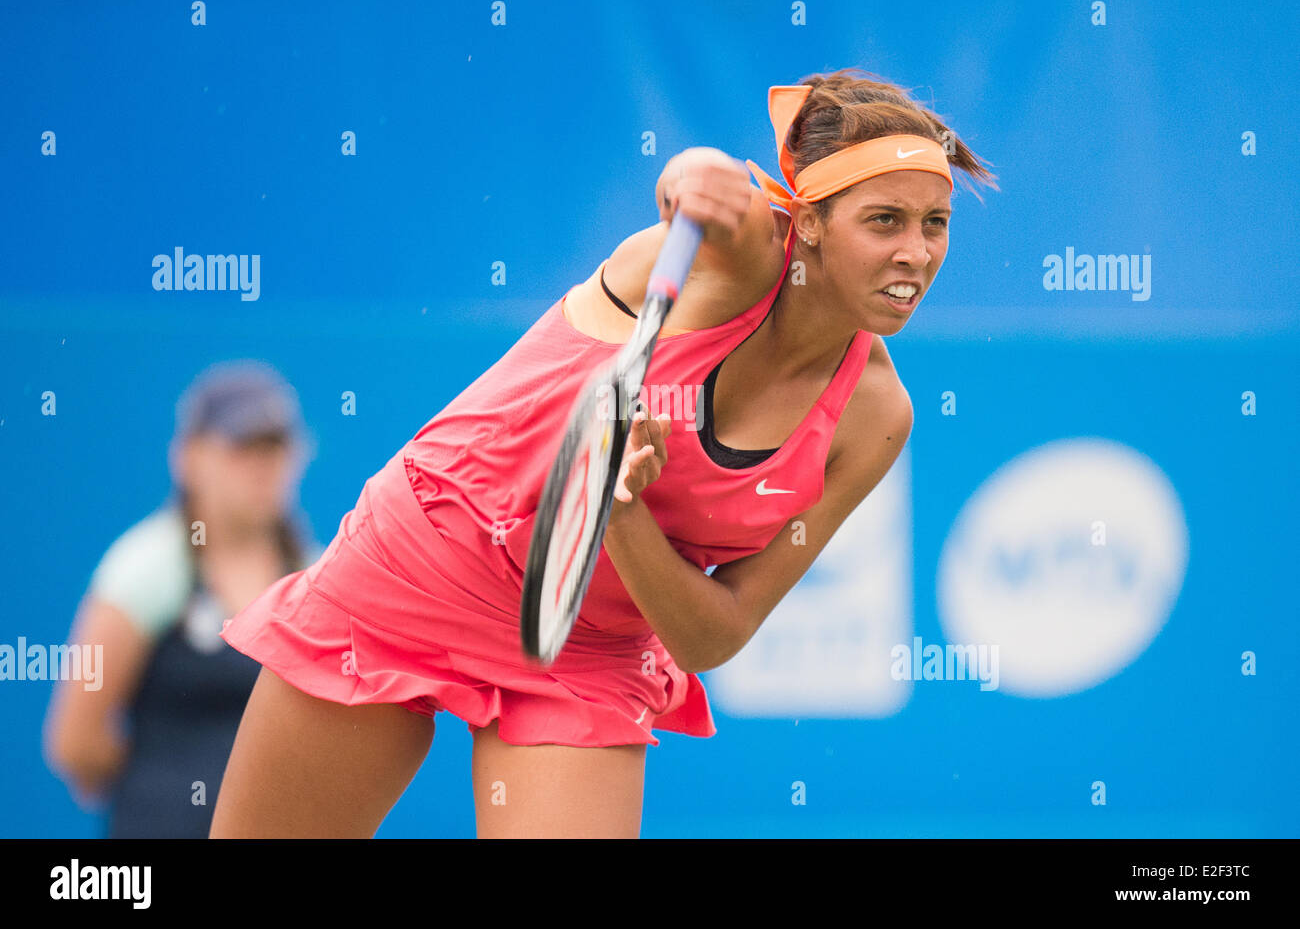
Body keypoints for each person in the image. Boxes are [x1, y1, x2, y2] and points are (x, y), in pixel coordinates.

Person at [211, 68, 996, 838]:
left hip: (583, 646)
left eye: (936, 223)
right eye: (885, 220)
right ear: (812, 222)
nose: (917, 253)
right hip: (426, 554)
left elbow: (712, 634)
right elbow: (708, 191)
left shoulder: (874, 415)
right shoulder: (739, 260)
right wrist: (694, 179)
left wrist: (617, 511)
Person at [44, 360, 319, 837]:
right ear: (189, 457)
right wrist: (167, 784)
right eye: (242, 447)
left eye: (275, 449)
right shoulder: (144, 568)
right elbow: (76, 743)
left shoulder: (315, 576)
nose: (262, 466)